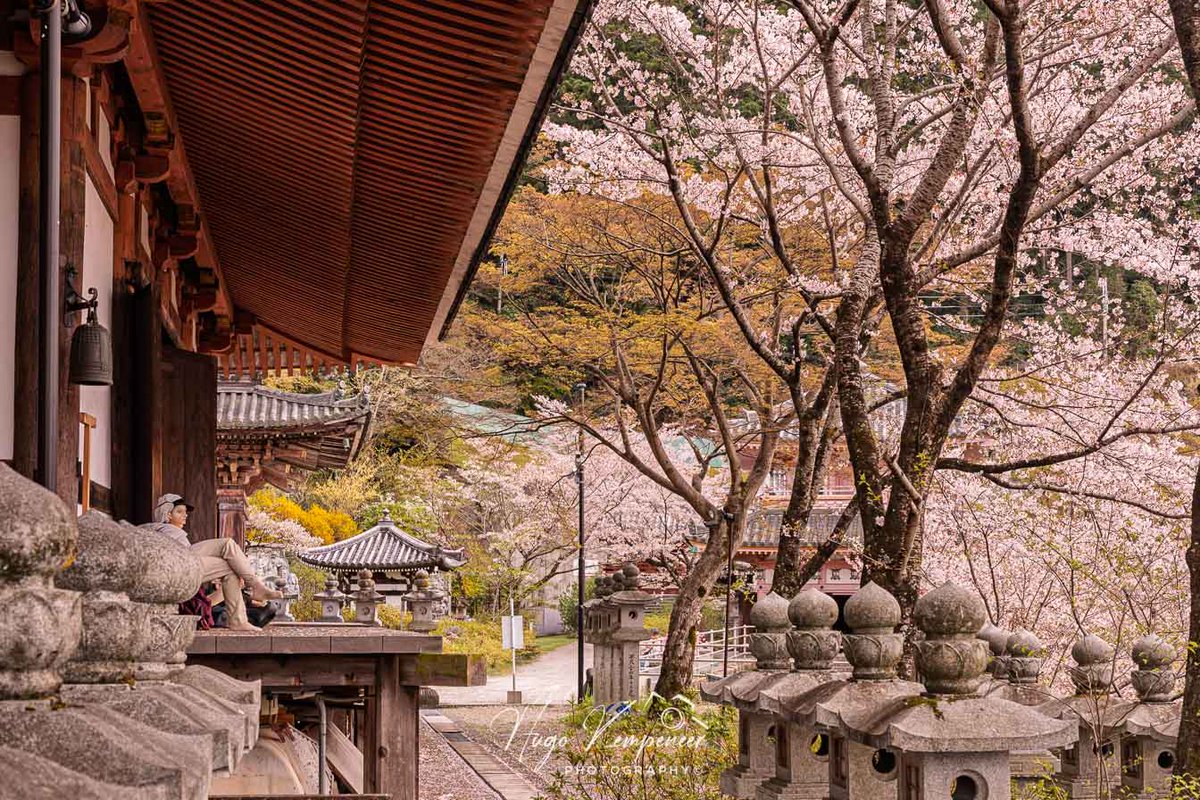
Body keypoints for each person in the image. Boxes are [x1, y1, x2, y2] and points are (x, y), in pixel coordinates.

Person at [147, 493, 281, 632]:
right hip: (178, 567)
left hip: (183, 567)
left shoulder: (165, 532)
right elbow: (180, 557)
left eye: (185, 512)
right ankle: (255, 587)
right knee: (227, 545)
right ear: (167, 514)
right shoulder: (165, 530)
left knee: (231, 568)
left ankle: (238, 619)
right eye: (179, 512)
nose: (185, 515)